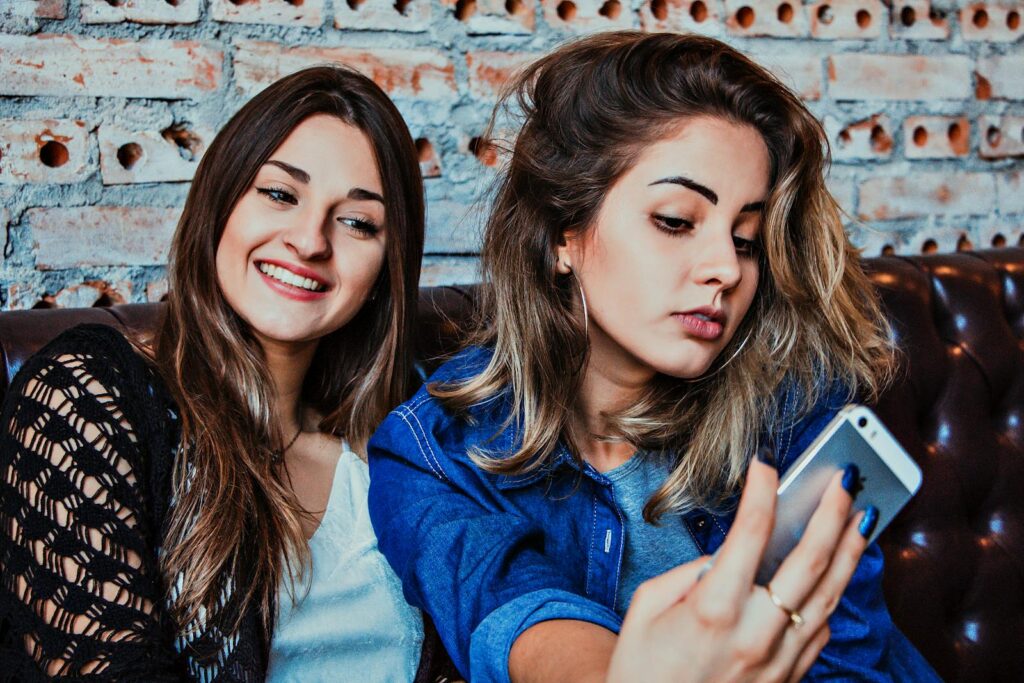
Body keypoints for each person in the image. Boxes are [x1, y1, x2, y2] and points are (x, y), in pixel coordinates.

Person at [367, 31, 941, 682]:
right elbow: (510, 609)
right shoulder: (432, 447)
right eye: (675, 219)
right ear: (563, 232)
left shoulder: (793, 406)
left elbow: (848, 660)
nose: (726, 267)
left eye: (747, 238)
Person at [0, 65, 450, 681]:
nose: (310, 241)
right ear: (219, 203)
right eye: (280, 194)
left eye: (356, 222)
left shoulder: (418, 438)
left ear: (383, 272)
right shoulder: (88, 393)